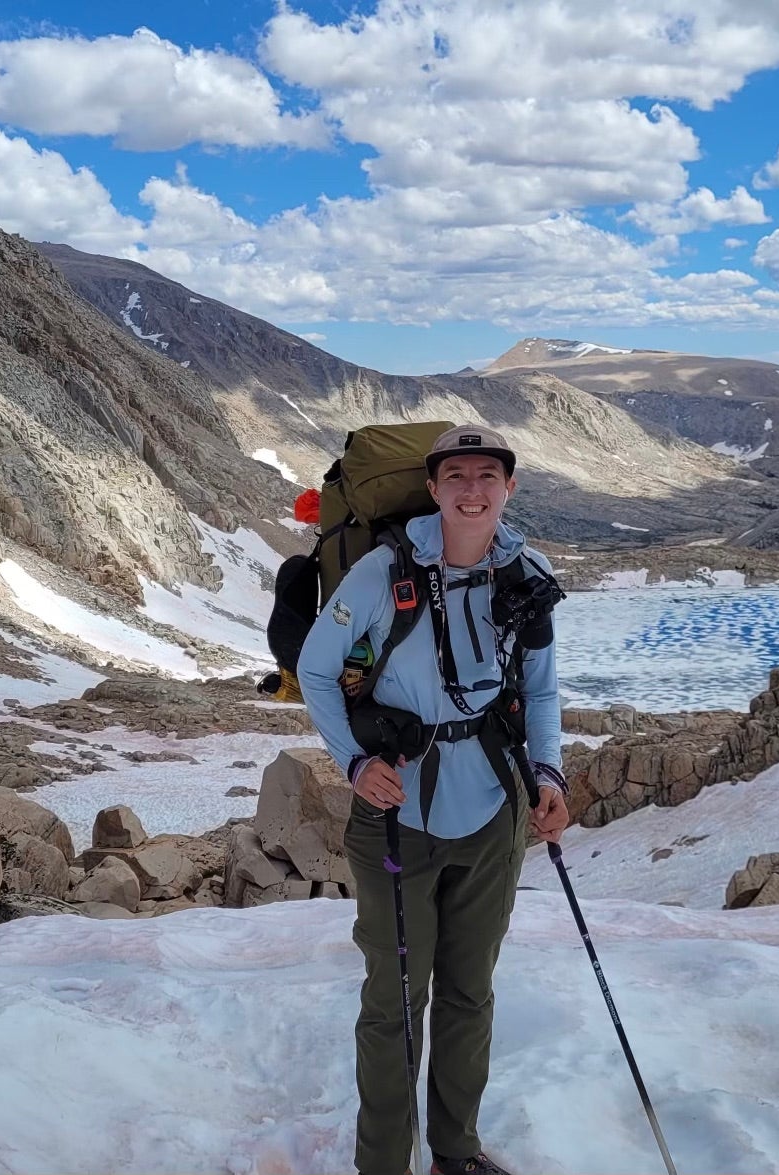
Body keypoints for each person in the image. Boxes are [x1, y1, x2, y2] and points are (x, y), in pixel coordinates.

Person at [299, 423, 569, 1175]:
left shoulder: (527, 573)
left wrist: (548, 776)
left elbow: (540, 689)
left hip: (492, 808)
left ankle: (455, 1150)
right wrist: (353, 762)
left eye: (488, 476)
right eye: (458, 476)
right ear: (433, 488)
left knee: (469, 991)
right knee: (394, 1002)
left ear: (509, 488)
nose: (473, 490)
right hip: (397, 812)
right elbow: (318, 668)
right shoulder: (385, 574)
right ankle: (384, 1162)